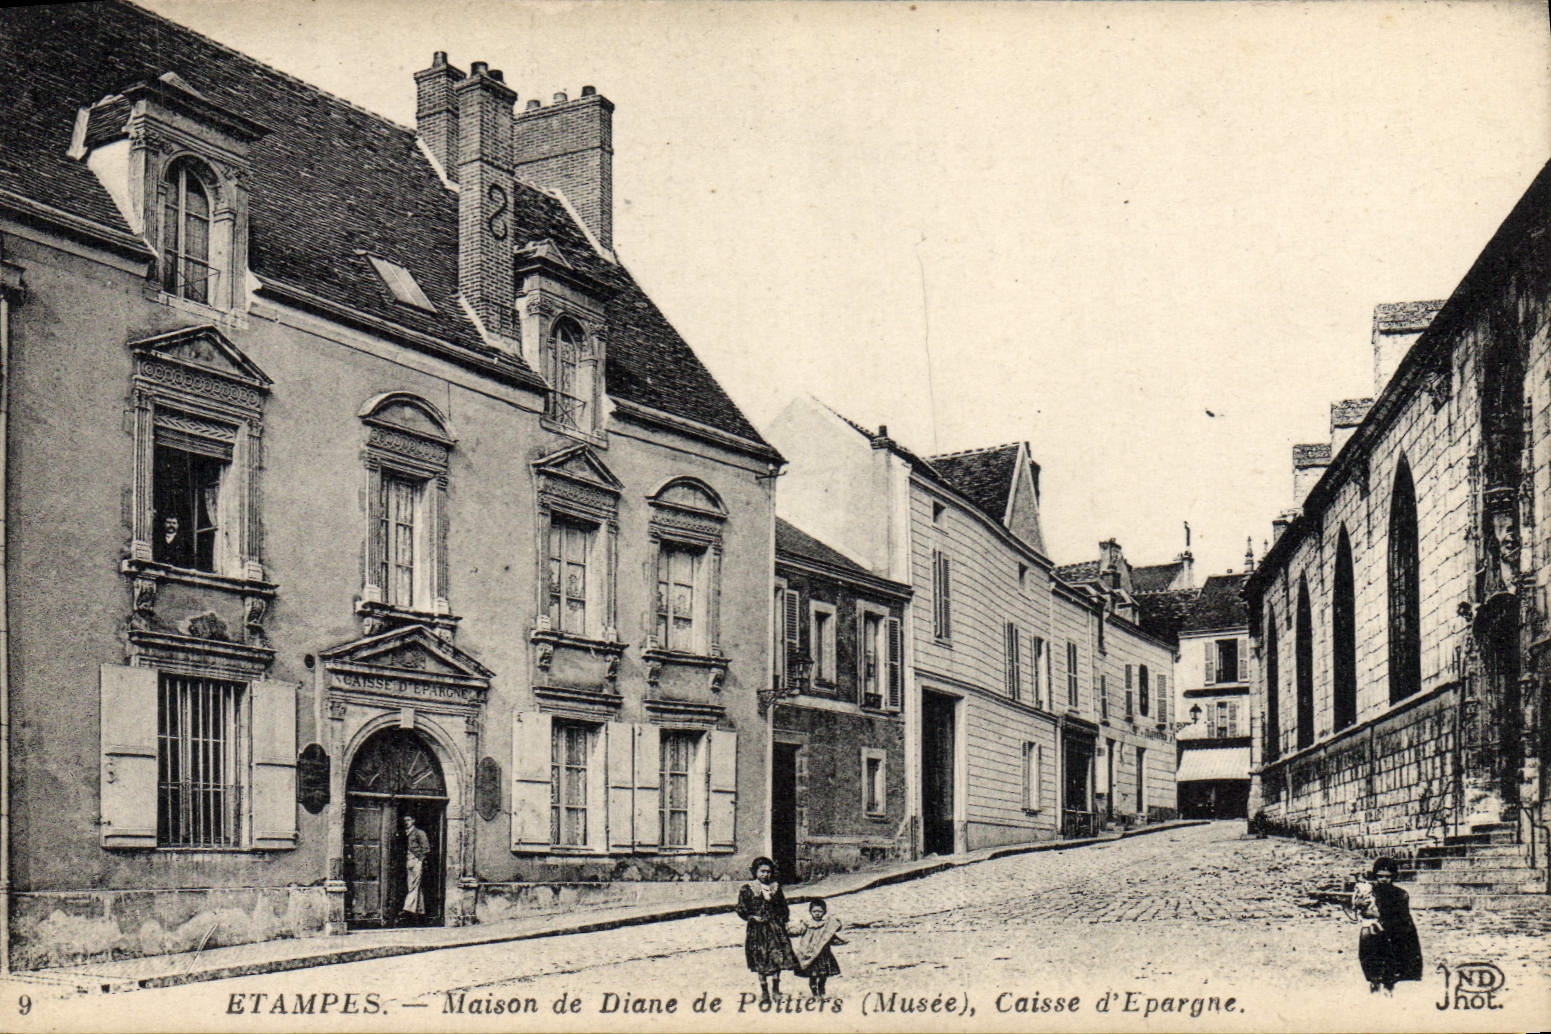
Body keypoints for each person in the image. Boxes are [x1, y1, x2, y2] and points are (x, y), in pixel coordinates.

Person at [1351, 857, 1422, 994]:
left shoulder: (1400, 894)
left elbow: (1402, 917)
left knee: (1391, 956)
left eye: (1387, 876)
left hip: (1395, 930)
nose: (1383, 879)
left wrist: (1381, 916)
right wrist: (1359, 905)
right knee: (1368, 945)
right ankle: (1374, 981)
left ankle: (1389, 985)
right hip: (1374, 930)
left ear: (1393, 877)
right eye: (1380, 876)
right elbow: (1358, 910)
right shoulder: (1370, 892)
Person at [735, 857, 797, 1003]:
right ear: (755, 872)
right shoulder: (748, 889)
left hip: (775, 928)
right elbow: (741, 907)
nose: (765, 874)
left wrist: (784, 920)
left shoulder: (775, 888)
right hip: (757, 930)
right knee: (760, 958)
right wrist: (751, 916)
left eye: (768, 872)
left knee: (776, 957)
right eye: (762, 871)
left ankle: (776, 990)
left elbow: (783, 907)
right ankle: (764, 992)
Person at [787, 897, 845, 998]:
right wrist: (787, 930)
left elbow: (833, 931)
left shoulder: (827, 925)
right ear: (810, 912)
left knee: (823, 974)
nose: (817, 914)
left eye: (820, 911)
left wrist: (838, 924)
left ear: (824, 912)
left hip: (823, 954)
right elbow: (797, 931)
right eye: (814, 911)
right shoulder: (806, 924)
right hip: (809, 954)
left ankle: (822, 990)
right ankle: (814, 993)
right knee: (812, 975)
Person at [401, 814, 429, 925]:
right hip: (409, 861)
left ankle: (407, 910)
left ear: (413, 820)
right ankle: (420, 912)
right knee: (415, 886)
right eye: (405, 820)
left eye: (408, 819)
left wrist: (420, 861)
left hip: (416, 861)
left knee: (414, 886)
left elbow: (426, 849)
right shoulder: (406, 833)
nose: (406, 822)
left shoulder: (419, 833)